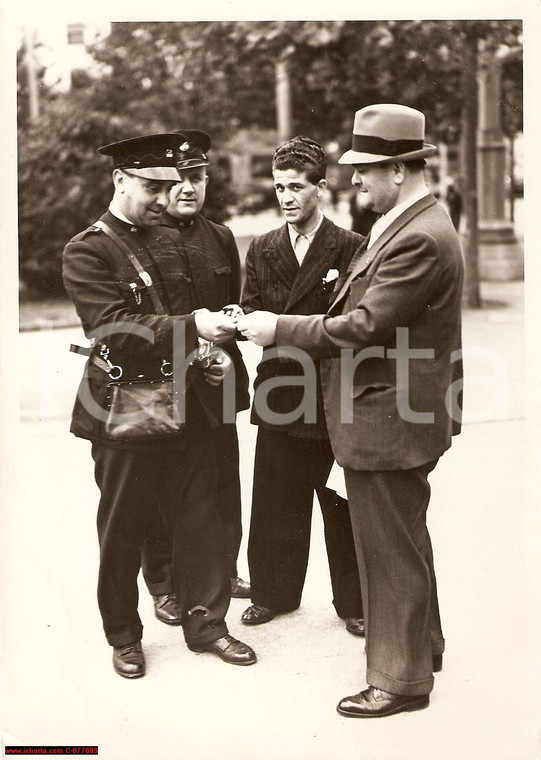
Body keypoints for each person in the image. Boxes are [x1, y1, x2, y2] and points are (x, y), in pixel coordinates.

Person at [237, 104, 464, 718]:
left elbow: (363, 325)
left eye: (364, 170)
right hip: (395, 409)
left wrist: (274, 327)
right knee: (405, 539)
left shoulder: (415, 234)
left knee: (387, 551)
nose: (355, 181)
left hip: (388, 418)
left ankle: (399, 680)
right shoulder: (409, 219)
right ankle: (426, 646)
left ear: (397, 168)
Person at [63, 132, 256, 679]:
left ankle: (208, 626)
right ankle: (124, 637)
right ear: (119, 181)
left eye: (168, 186)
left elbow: (180, 318)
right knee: (124, 527)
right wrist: (193, 328)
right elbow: (111, 329)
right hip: (126, 409)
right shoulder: (88, 249)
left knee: (199, 518)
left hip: (186, 403)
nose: (162, 197)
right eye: (151, 186)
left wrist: (205, 350)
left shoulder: (168, 237)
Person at [239, 135, 364, 636]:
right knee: (274, 496)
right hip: (280, 388)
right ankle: (273, 593)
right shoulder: (264, 247)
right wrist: (247, 321)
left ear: (322, 187)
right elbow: (250, 307)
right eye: (279, 188)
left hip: (332, 389)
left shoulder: (352, 247)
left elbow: (357, 321)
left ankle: (353, 602)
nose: (286, 197)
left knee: (340, 500)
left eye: (296, 187)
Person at [140, 130, 251, 629]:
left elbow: (236, 301)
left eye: (198, 177)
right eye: (182, 178)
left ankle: (223, 569)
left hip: (218, 379)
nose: (190, 187)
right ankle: (164, 585)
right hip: (167, 385)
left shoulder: (221, 236)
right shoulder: (145, 237)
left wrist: (236, 316)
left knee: (223, 478)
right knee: (164, 487)